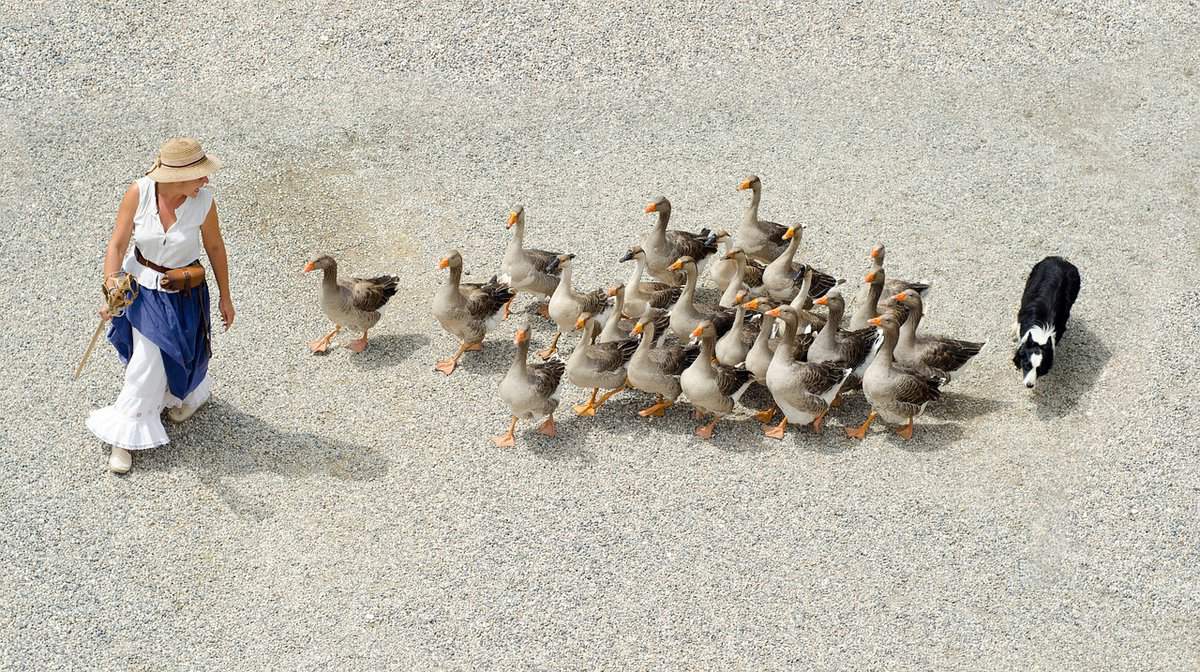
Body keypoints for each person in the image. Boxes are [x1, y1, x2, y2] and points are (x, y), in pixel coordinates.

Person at [87, 137, 234, 473]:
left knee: (184, 351)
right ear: (176, 177)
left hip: (183, 291)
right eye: (200, 174)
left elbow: (214, 247)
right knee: (147, 359)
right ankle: (124, 434)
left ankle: (190, 395)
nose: (206, 180)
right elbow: (117, 244)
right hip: (139, 288)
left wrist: (226, 297)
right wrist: (112, 286)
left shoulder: (204, 202)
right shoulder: (138, 193)